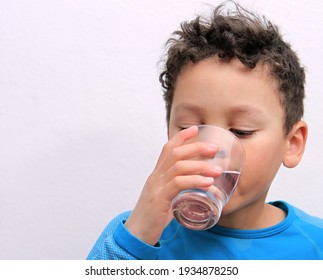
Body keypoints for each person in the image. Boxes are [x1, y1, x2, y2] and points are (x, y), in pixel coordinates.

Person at [87, 1, 323, 259]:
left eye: (241, 131)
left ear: (292, 144)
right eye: (191, 127)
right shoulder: (134, 235)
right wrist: (138, 234)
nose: (213, 150)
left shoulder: (315, 244)